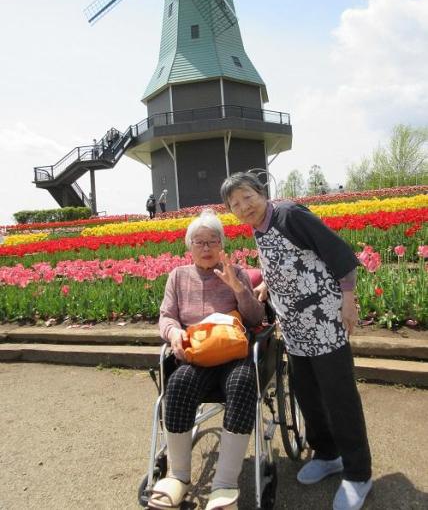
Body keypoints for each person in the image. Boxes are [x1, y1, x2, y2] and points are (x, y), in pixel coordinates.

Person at [220, 172, 372, 510]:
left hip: (324, 320)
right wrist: (267, 284)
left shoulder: (289, 215)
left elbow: (337, 252)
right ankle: (328, 453)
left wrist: (348, 300)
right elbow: (285, 261)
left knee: (339, 396)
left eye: (247, 197)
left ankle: (358, 472)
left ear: (261, 192)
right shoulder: (259, 228)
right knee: (307, 393)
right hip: (294, 327)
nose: (244, 207)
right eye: (235, 204)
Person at [148, 210, 264, 510]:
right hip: (196, 355)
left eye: (213, 241)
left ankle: (224, 482)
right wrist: (174, 333)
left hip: (232, 353)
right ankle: (178, 476)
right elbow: (167, 317)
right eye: (199, 242)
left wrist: (238, 288)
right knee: (178, 383)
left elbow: (255, 319)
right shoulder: (178, 276)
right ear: (189, 246)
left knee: (243, 383)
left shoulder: (235, 273)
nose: (206, 247)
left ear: (222, 244)